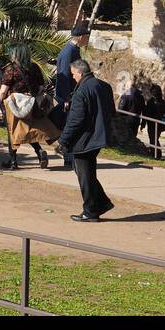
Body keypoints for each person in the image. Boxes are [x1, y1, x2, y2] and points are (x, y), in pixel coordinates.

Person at [58, 57, 116, 222]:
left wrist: (63, 141)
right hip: (98, 136)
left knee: (85, 175)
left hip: (85, 139)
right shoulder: (103, 86)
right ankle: (101, 203)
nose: (73, 77)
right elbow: (111, 111)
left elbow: (76, 120)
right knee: (86, 172)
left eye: (73, 74)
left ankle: (91, 211)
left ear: (80, 72)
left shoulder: (82, 90)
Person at [0, 44, 59, 169]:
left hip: (15, 104)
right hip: (31, 104)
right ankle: (39, 152)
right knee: (26, 130)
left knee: (13, 130)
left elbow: (3, 90)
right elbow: (42, 87)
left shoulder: (11, 69)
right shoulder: (35, 67)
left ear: (17, 54)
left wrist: (1, 100)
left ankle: (13, 161)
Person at [54, 21, 90, 168]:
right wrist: (67, 97)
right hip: (67, 96)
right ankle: (68, 157)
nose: (87, 40)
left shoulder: (73, 50)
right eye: (86, 37)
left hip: (71, 93)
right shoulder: (69, 51)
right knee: (69, 125)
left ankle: (69, 156)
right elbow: (63, 75)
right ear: (81, 37)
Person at [141, 81, 165, 160]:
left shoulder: (152, 101)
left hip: (155, 124)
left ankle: (156, 155)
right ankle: (155, 154)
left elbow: (147, 113)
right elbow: (147, 113)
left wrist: (143, 123)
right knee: (154, 139)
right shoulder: (161, 101)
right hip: (155, 124)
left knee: (153, 139)